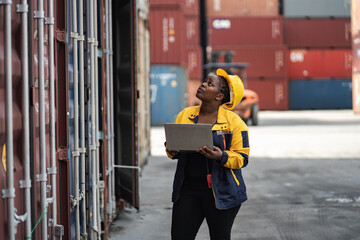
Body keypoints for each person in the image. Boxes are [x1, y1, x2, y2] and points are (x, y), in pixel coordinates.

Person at [165, 68, 250, 240]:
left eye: (210, 84)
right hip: (188, 191)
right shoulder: (185, 115)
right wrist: (171, 150)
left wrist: (221, 156)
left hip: (223, 194)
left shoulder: (234, 123)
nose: (203, 84)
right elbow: (172, 149)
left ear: (219, 96)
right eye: (205, 81)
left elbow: (242, 158)